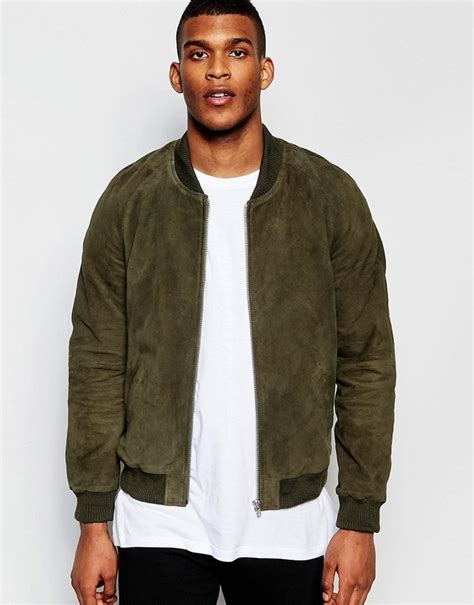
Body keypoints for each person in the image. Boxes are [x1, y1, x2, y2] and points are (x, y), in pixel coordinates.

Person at [66, 0, 397, 603]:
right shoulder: (129, 201)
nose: (218, 69)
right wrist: (93, 521)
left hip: (291, 524)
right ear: (178, 75)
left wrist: (359, 518)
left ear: (264, 70)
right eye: (200, 54)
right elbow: (96, 361)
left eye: (236, 52)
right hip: (156, 520)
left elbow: (367, 362)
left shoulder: (328, 197)